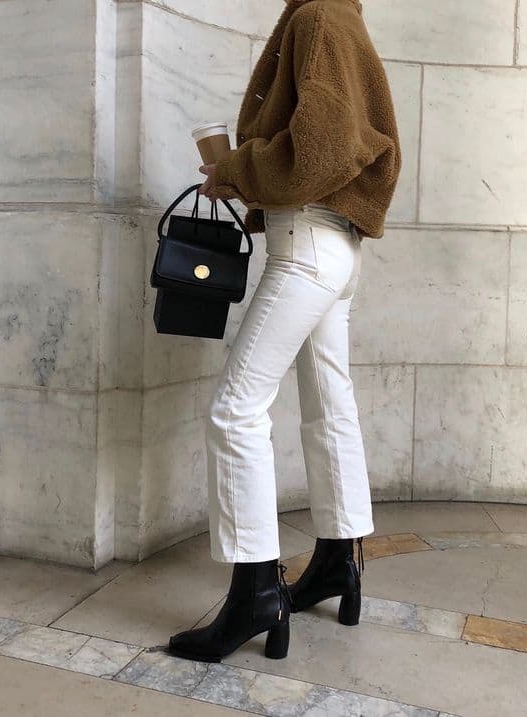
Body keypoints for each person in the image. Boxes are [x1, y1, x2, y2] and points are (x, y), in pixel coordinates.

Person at [168, 0, 401, 663]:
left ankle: (255, 595)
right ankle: (337, 561)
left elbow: (322, 148)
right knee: (330, 405)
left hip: (305, 248)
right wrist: (248, 180)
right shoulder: (344, 17)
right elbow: (346, 146)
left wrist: (234, 170)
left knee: (234, 410)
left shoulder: (318, 17)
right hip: (337, 247)